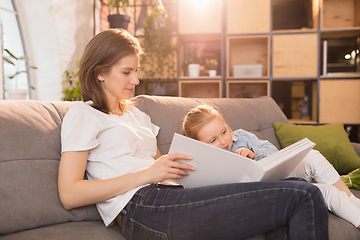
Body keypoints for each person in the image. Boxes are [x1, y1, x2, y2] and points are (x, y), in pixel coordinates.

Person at [58, 28, 329, 240]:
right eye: (126, 72)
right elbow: (69, 193)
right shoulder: (84, 115)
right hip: (143, 208)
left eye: (136, 71)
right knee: (306, 195)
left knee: (293, 198)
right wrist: (148, 174)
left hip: (170, 196)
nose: (136, 80)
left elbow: (167, 170)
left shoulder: (137, 116)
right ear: (99, 73)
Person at [181, 105, 360, 229]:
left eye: (224, 131)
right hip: (269, 193)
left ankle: (352, 200)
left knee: (312, 156)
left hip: (278, 175)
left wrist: (253, 153)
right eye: (213, 140)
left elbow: (273, 151)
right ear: (199, 145)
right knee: (327, 191)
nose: (223, 141)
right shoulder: (204, 166)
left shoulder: (241, 137)